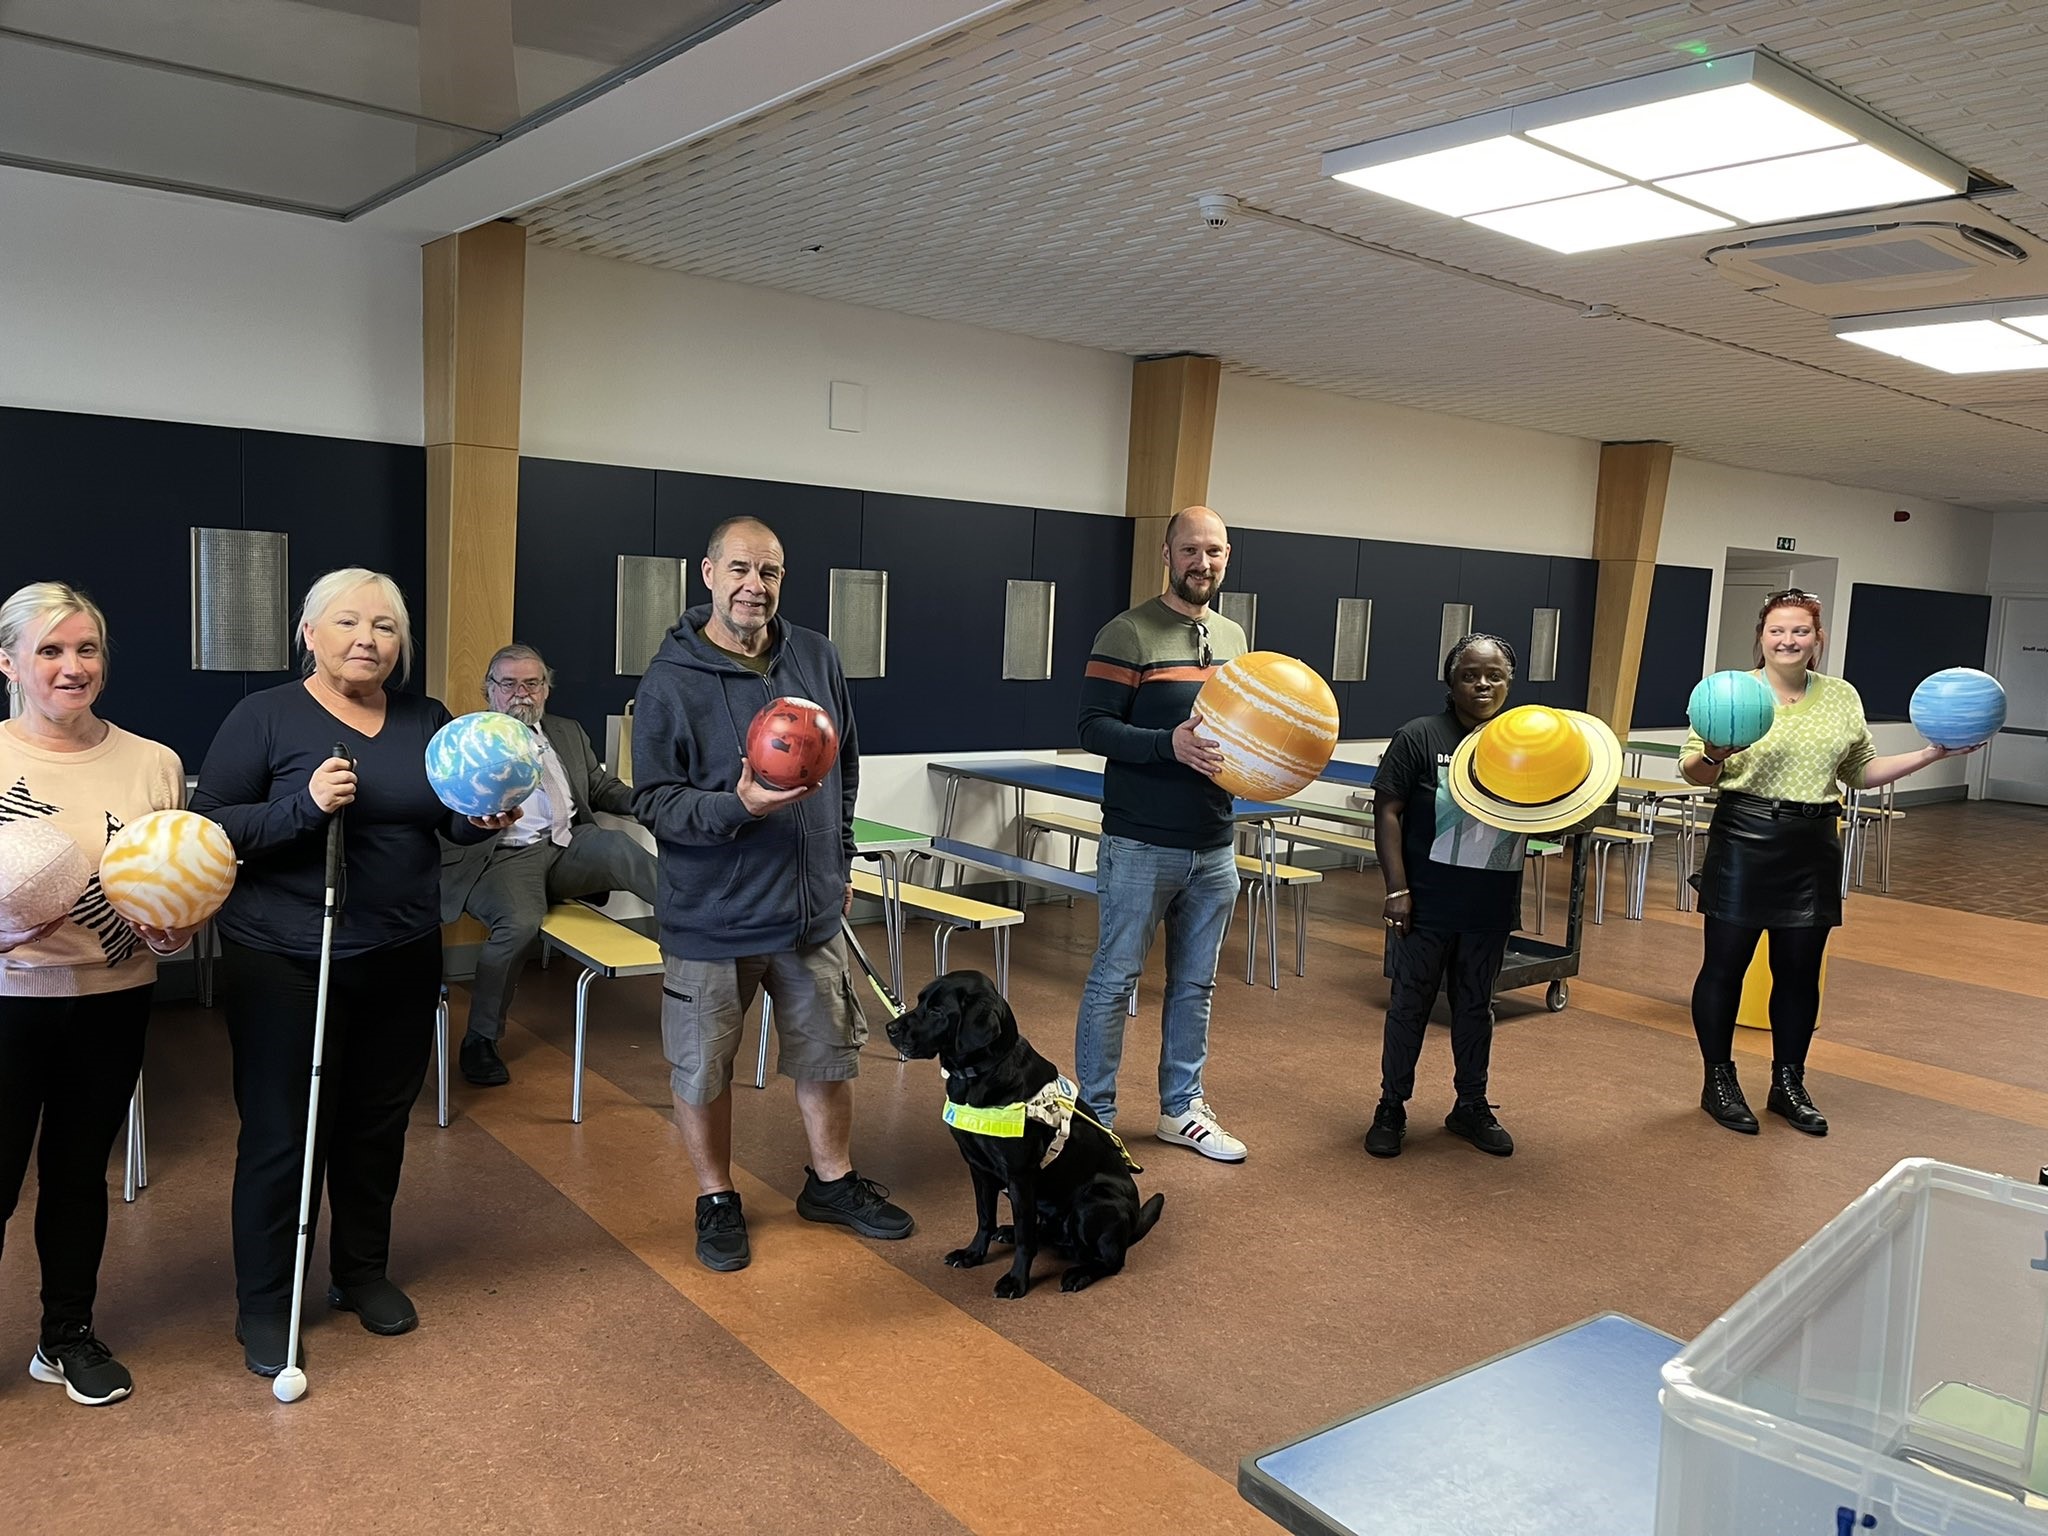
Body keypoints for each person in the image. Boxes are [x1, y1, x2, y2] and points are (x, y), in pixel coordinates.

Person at [192, 568, 513, 1376]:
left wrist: (482, 820)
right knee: (282, 1133)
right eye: (347, 623)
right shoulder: (263, 718)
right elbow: (211, 828)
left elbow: (448, 821)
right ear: (309, 633)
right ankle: (266, 1302)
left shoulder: (424, 719)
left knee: (377, 1125)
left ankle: (360, 1273)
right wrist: (303, 805)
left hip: (401, 952)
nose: (367, 639)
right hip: (286, 958)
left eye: (385, 627)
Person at [632, 516, 912, 1274]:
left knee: (828, 1056)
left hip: (807, 912)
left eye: (770, 573)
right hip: (712, 918)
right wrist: (739, 808)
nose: (755, 586)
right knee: (703, 1067)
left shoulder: (815, 655)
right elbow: (652, 802)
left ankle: (831, 1182)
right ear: (709, 573)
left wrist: (842, 855)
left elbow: (844, 762)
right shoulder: (669, 681)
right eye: (741, 570)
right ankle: (716, 1196)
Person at [1680, 589, 1966, 1138]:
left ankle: (1788, 1084)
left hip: (1813, 840)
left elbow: (1860, 770)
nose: (1788, 641)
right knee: (1725, 967)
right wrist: (1716, 753)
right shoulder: (1730, 692)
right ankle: (1718, 1081)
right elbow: (1697, 772)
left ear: (1817, 639)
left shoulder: (1840, 696)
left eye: (1801, 632)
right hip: (1743, 833)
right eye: (1777, 631)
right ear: (1761, 637)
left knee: (1799, 971)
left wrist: (1933, 755)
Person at [0, 583, 187, 1407]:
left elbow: (174, 884)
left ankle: (65, 1335)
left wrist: (173, 931)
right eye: (50, 650)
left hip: (113, 995)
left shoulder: (153, 762)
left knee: (79, 1173)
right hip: (7, 999)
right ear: (8, 662)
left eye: (86, 650)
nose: (71, 667)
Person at [1072, 504, 1249, 1162]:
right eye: (1191, 551)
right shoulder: (1128, 633)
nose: (1203, 564)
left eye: (1216, 552)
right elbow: (1092, 727)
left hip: (1215, 844)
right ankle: (1096, 1117)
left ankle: (1182, 1109)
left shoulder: (1234, 638)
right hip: (1141, 844)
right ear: (1168, 556)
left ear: (1227, 558)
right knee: (1116, 980)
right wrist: (1166, 746)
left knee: (1195, 985)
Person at [441, 643, 657, 1087]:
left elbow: (599, 788)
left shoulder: (566, 731)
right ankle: (480, 1039)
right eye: (509, 683)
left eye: (532, 683)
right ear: (489, 691)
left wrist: (657, 803)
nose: (521, 693)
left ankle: (703, 924)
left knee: (615, 846)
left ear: (546, 690)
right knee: (518, 924)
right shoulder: (470, 739)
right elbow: (444, 812)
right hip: (504, 857)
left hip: (565, 844)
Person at [1364, 635, 1523, 1160]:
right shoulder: (1419, 736)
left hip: (1489, 903)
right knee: (1409, 1005)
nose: (1483, 684)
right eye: (1470, 675)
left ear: (1509, 682)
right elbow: (1387, 811)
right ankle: (1391, 1106)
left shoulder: (1525, 739)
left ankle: (1470, 1106)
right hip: (1425, 902)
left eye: (1494, 675)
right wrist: (1397, 889)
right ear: (1450, 682)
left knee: (1476, 1006)